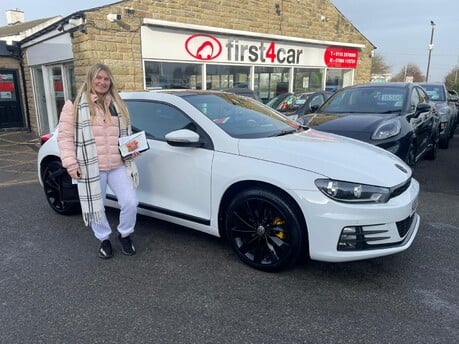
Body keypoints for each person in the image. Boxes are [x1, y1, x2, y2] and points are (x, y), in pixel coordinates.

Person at [58, 63, 140, 259]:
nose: (102, 82)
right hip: (90, 166)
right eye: (98, 78)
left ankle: (125, 234)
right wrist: (71, 164)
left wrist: (132, 150)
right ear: (90, 79)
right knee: (96, 206)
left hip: (117, 164)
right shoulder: (75, 104)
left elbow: (125, 135)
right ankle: (104, 238)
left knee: (131, 202)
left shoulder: (117, 103)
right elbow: (65, 136)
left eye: (106, 78)